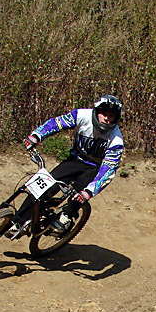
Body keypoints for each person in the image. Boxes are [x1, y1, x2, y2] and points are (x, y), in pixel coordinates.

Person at [21, 94, 124, 234]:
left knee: (80, 192)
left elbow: (108, 170)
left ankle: (67, 215)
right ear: (96, 111)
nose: (106, 118)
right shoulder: (81, 115)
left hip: (94, 168)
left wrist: (88, 192)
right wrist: (36, 136)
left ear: (116, 119)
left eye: (111, 116)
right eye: (103, 114)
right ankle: (19, 220)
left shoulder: (116, 141)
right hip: (74, 160)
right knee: (44, 186)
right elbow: (56, 123)